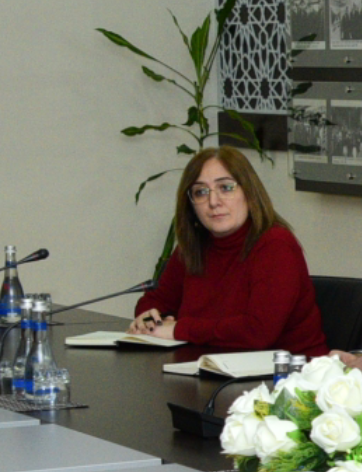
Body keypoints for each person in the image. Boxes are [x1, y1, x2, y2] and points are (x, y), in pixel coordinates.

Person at [131, 147, 326, 354]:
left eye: (226, 188)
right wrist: (149, 319)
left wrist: (179, 329)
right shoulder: (193, 246)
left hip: (287, 371)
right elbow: (155, 301)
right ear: (191, 204)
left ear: (249, 193)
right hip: (208, 365)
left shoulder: (276, 244)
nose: (213, 202)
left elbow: (257, 332)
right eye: (201, 192)